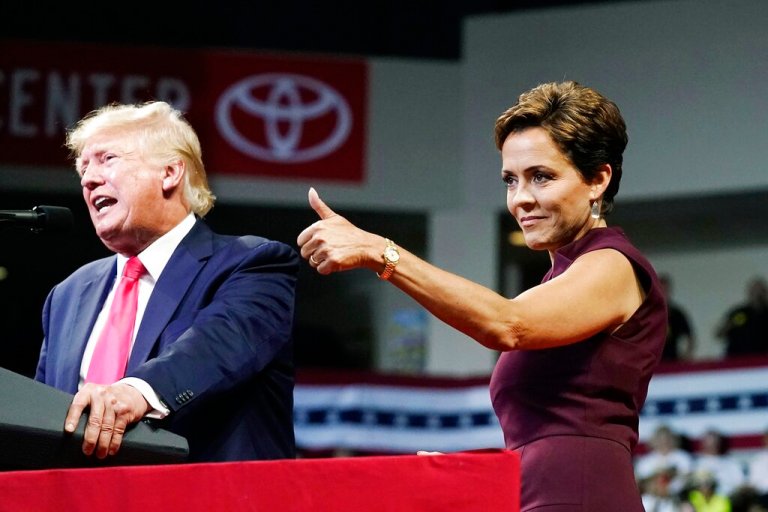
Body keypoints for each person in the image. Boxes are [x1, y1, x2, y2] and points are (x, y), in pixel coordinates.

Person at [297, 80, 668, 511]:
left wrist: (380, 251)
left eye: (541, 177)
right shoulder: (555, 284)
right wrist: (475, 479)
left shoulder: (613, 264)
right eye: (511, 180)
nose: (521, 199)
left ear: (597, 180)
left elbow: (507, 324)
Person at [35, 101, 299, 462]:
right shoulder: (67, 295)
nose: (88, 178)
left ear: (171, 173)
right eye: (83, 167)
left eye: (107, 159)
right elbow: (43, 416)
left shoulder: (253, 264)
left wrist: (135, 393)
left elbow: (213, 347)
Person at [715, 276, 768, 358]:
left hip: (762, 361)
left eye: (761, 291)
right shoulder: (739, 312)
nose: (758, 293)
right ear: (749, 293)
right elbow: (718, 334)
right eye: (755, 291)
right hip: (737, 360)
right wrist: (729, 325)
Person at [660, 273, 696, 361]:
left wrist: (686, 355)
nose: (663, 293)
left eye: (666, 290)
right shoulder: (647, 313)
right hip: (652, 364)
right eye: (661, 290)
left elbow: (690, 337)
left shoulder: (677, 314)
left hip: (672, 361)